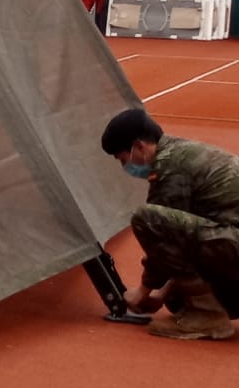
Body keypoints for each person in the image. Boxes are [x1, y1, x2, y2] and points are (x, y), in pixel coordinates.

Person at [102, 106, 239, 341]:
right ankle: (209, 308)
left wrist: (142, 292)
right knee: (177, 299)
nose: (124, 167)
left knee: (147, 219)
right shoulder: (180, 152)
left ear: (139, 147)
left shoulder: (170, 169)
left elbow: (163, 237)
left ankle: (208, 314)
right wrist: (163, 294)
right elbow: (184, 242)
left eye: (123, 158)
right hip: (231, 240)